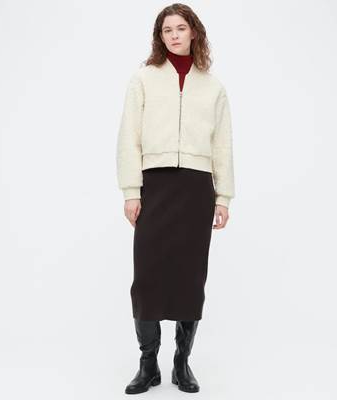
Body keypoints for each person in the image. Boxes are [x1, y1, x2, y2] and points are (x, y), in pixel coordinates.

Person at [116, 3, 235, 395]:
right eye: (167, 30)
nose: (174, 35)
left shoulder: (213, 86)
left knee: (189, 277)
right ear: (160, 36)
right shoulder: (143, 79)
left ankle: (182, 363)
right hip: (155, 185)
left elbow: (223, 145)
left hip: (197, 188)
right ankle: (147, 364)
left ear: (193, 32)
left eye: (180, 28)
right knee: (147, 278)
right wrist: (131, 191)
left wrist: (223, 197)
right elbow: (129, 137)